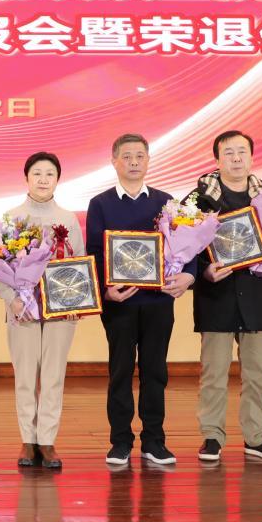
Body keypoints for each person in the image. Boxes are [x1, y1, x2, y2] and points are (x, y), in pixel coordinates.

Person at [84, 133, 195, 468]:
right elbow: (94, 253)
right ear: (114, 161)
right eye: (127, 156)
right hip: (119, 303)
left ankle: (154, 441)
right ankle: (120, 442)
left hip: (158, 302)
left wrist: (188, 275)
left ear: (148, 160)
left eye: (140, 156)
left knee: (155, 372)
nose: (133, 162)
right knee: (119, 372)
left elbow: (187, 244)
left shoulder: (166, 201)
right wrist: (105, 289)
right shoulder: (100, 203)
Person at [190, 130, 262, 464]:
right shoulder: (198, 199)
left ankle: (257, 437)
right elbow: (184, 250)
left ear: (251, 157)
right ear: (217, 159)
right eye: (228, 153)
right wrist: (205, 271)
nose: (236, 158)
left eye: (242, 152)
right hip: (216, 294)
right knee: (214, 373)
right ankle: (212, 436)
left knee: (257, 373)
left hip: (256, 296)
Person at [0, 152, 85, 471]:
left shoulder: (69, 219)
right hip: (22, 308)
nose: (43, 179)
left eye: (50, 174)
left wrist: (76, 301)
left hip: (60, 309)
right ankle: (27, 439)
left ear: (58, 179)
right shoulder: (11, 217)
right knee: (24, 375)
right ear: (26, 178)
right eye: (37, 173)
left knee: (53, 375)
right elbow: (0, 264)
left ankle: (47, 440)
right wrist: (11, 299)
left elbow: (78, 262)